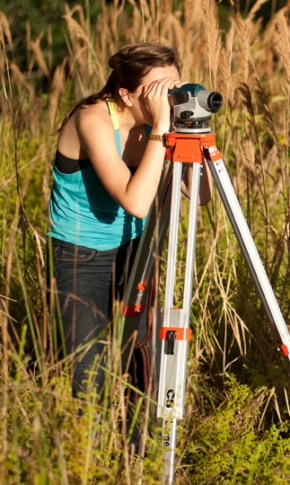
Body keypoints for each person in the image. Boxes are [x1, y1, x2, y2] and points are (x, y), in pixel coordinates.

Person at [47, 42, 210, 442]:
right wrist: (160, 129)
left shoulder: (163, 121)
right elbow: (137, 203)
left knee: (141, 361)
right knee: (89, 369)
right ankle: (91, 460)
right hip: (79, 254)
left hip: (135, 249)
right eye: (157, 89)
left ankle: (138, 456)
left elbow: (201, 195)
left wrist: (188, 130)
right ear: (126, 94)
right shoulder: (93, 121)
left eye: (174, 85)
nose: (168, 98)